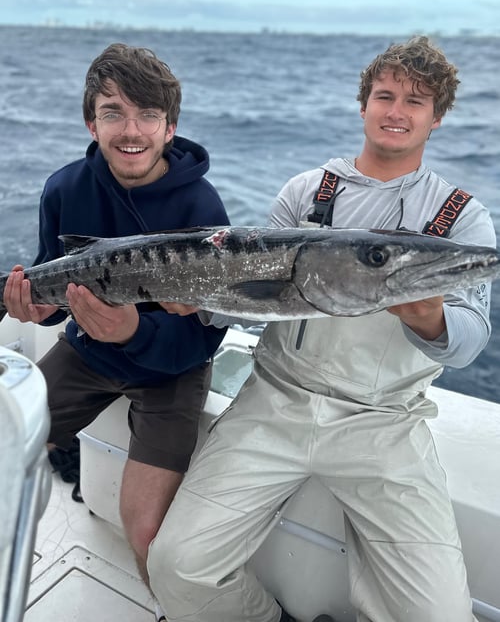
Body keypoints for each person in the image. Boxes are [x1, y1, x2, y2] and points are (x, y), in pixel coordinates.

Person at [147, 36, 496, 622]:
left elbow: (469, 340)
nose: (396, 111)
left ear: (438, 117)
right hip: (276, 402)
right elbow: (251, 299)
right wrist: (200, 302)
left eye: (416, 101)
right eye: (384, 95)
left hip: (385, 423)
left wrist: (429, 316)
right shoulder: (307, 192)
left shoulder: (462, 218)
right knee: (176, 565)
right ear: (363, 105)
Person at [2, 43, 232, 615]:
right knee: (6, 451)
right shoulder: (64, 189)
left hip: (172, 368)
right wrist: (35, 311)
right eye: (113, 112)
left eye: (148, 115)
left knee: (147, 530)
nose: (131, 130)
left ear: (170, 126)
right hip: (87, 353)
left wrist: (133, 332)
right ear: (91, 120)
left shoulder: (203, 206)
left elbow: (207, 332)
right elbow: (54, 296)